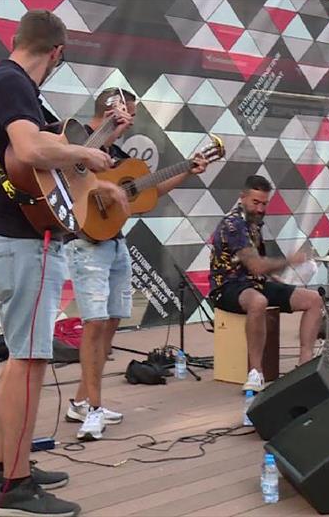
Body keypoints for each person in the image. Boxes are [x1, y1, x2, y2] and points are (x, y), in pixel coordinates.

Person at [0, 9, 127, 516]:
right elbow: (33, 148)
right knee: (29, 361)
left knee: (28, 357)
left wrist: (97, 136)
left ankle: (6, 464)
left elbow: (54, 160)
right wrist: (92, 152)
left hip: (19, 240)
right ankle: (14, 484)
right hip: (22, 243)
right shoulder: (11, 83)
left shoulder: (7, 87)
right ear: (56, 52)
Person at [63, 89, 208, 441]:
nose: (130, 124)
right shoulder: (79, 138)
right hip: (86, 242)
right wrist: (103, 187)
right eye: (127, 115)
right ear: (111, 111)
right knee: (95, 323)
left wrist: (188, 169)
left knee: (112, 322)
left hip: (114, 242)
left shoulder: (120, 155)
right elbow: (73, 176)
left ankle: (82, 401)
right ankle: (94, 409)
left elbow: (149, 192)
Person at [208, 175, 323, 391]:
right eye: (256, 202)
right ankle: (255, 372)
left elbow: (258, 269)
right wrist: (291, 260)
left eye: (264, 203)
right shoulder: (233, 225)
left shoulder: (253, 223)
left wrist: (273, 279)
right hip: (227, 287)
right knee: (258, 302)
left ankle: (305, 365)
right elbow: (257, 266)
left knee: (314, 299)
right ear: (242, 198)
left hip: (254, 284)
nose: (260, 208)